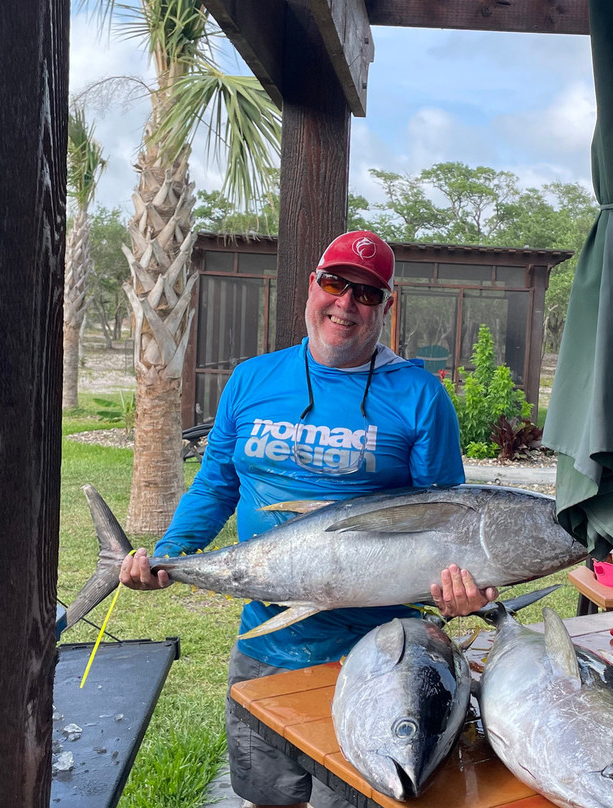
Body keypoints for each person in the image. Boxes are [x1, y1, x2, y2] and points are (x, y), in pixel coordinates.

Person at [120, 229, 498, 808]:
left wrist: (461, 587)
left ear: (386, 307)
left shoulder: (420, 397)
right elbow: (218, 482)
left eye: (367, 294)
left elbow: (443, 519)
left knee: (348, 798)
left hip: (375, 654)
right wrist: (171, 550)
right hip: (264, 643)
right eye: (335, 283)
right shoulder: (251, 380)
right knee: (266, 794)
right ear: (312, 286)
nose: (346, 303)